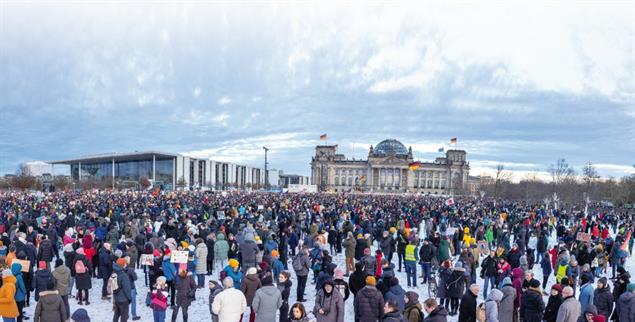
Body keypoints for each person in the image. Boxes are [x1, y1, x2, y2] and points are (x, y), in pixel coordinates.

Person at [112, 257, 132, 322]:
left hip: (116, 298)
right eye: (125, 264)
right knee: (124, 316)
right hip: (124, 299)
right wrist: (129, 298)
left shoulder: (114, 272)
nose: (126, 265)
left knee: (116, 314)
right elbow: (127, 289)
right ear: (122, 265)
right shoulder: (123, 275)